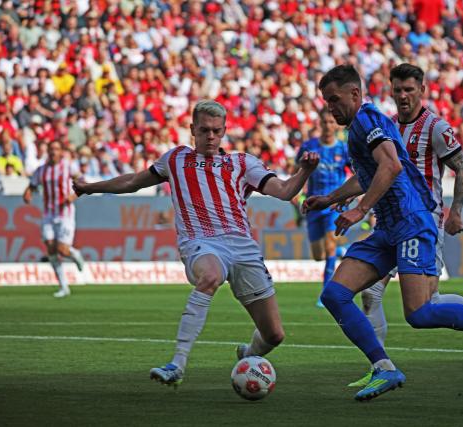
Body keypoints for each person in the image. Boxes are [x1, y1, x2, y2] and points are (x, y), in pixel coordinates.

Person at [304, 65, 463, 402]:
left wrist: (359, 209)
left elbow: (392, 166)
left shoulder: (368, 120)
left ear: (355, 94)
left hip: (414, 221)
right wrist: (332, 197)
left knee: (421, 312)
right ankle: (384, 368)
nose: (330, 108)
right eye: (326, 102)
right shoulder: (369, 126)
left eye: (334, 100)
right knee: (334, 295)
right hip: (389, 228)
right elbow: (372, 173)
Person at [73, 100, 319, 387]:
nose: (211, 137)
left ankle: (248, 354)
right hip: (200, 242)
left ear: (225, 130)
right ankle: (177, 363)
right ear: (192, 129)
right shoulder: (176, 159)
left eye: (216, 131)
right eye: (204, 130)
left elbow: (285, 190)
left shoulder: (242, 163)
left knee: (274, 335)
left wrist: (305, 172)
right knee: (210, 276)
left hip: (242, 247)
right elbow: (132, 182)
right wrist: (90, 188)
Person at [296, 108, 349, 307]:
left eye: (331, 121)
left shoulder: (343, 149)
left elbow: (357, 173)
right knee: (318, 255)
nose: (328, 126)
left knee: (329, 248)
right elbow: (299, 170)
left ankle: (325, 295)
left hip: (333, 204)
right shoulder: (309, 147)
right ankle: (343, 250)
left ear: (336, 124)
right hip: (313, 204)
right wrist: (297, 190)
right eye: (324, 122)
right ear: (320, 123)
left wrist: (350, 196)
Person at [23, 140, 85, 298]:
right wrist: (28, 192)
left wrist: (74, 195)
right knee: (50, 248)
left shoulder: (68, 166)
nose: (53, 152)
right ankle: (63, 286)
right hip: (49, 213)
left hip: (65, 213)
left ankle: (74, 254)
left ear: (61, 152)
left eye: (56, 149)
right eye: (51, 149)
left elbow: (82, 182)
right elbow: (32, 184)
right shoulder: (42, 170)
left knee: (62, 250)